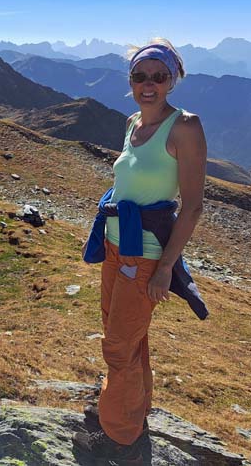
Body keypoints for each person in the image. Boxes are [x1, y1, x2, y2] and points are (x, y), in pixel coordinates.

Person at [73, 38, 208, 464]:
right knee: (130, 337)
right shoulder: (133, 123)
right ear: (130, 80)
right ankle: (134, 414)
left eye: (158, 76)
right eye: (140, 76)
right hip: (117, 245)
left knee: (118, 345)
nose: (148, 84)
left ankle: (119, 439)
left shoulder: (185, 126)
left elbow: (193, 206)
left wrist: (166, 266)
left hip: (146, 254)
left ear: (173, 80)